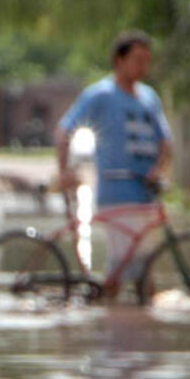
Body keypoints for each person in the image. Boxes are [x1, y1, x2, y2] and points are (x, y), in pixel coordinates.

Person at [54, 30, 173, 296]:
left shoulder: (149, 98)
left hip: (145, 194)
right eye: (138, 59)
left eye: (147, 60)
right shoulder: (100, 94)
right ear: (119, 60)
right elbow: (64, 131)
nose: (144, 66)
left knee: (141, 266)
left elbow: (166, 142)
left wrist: (159, 169)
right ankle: (113, 323)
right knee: (131, 269)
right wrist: (64, 172)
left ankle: (116, 318)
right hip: (117, 192)